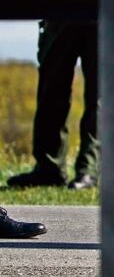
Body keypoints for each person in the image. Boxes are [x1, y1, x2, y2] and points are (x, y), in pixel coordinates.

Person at [7, 20, 99, 190]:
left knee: (100, 94)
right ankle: (49, 169)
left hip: (103, 12)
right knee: (51, 90)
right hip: (60, 12)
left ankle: (90, 170)